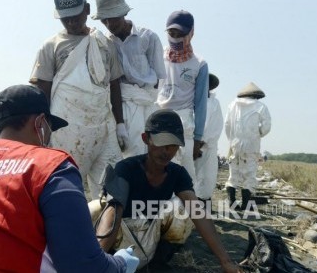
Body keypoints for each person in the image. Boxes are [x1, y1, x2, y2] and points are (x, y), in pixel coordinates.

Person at [0, 85, 139, 273]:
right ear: (40, 123)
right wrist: (120, 263)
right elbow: (83, 267)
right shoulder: (51, 167)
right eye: (50, 128)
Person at [89, 109, 241, 272]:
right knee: (96, 208)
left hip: (150, 235)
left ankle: (160, 258)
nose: (166, 151)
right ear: (146, 139)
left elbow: (198, 213)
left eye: (173, 145)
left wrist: (226, 261)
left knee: (181, 210)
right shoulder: (126, 168)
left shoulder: (177, 173)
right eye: (161, 143)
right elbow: (114, 213)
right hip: (120, 235)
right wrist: (99, 263)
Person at [30, 0, 126, 200]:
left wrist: (120, 124)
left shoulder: (104, 43)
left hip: (102, 124)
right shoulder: (51, 46)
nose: (71, 22)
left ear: (87, 10)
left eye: (75, 16)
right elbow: (41, 90)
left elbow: (114, 85)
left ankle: (107, 230)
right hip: (67, 129)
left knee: (114, 185)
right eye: (66, 19)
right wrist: (41, 130)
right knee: (66, 186)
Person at [91, 0, 166, 158]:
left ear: (124, 13)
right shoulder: (105, 43)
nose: (110, 25)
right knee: (126, 155)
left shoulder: (148, 37)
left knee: (151, 155)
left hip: (146, 102)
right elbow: (112, 82)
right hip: (120, 104)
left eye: (114, 19)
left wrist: (144, 99)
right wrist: (120, 123)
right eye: (105, 20)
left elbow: (158, 78)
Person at [157, 10, 208, 186]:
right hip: (158, 121)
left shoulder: (199, 64)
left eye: (181, 34)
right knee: (159, 174)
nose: (176, 39)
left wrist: (197, 139)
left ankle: (185, 212)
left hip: (184, 125)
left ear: (191, 33)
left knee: (185, 178)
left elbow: (200, 104)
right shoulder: (158, 56)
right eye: (172, 34)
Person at [224, 82, 271, 210]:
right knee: (249, 173)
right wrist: (257, 134)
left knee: (233, 172)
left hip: (235, 143)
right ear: (256, 95)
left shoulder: (232, 105)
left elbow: (227, 125)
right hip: (251, 144)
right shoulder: (261, 106)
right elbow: (266, 127)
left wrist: (232, 140)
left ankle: (232, 203)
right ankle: (245, 204)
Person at [193, 73, 224, 208]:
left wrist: (202, 141)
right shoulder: (188, 100)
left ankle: (203, 209)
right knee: (189, 176)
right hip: (188, 144)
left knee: (207, 177)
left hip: (207, 146)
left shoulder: (214, 103)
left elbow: (217, 125)